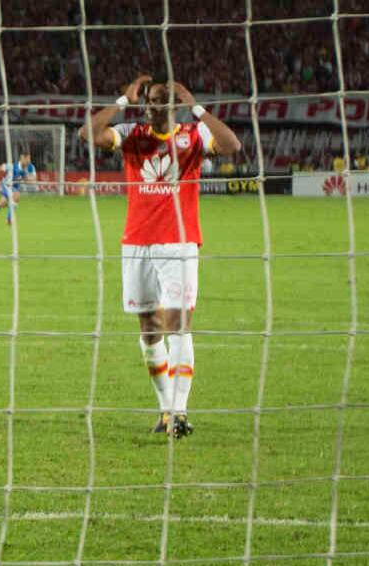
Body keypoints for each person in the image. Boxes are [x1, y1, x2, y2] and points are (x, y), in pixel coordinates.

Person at [84, 73, 241, 439]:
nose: (156, 106)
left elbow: (231, 144)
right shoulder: (132, 136)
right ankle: (165, 410)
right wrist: (123, 100)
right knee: (149, 331)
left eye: (164, 100)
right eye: (151, 100)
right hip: (136, 243)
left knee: (178, 324)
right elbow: (88, 134)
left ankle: (180, 411)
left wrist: (197, 107)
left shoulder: (192, 137)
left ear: (176, 104)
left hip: (179, 244)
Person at [0, 149, 38, 225]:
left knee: (3, 203)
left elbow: (33, 179)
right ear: (22, 158)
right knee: (16, 196)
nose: (28, 161)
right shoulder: (12, 166)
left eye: (29, 159)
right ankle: (9, 220)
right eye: (27, 159)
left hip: (14, 188)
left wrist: (26, 178)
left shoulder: (31, 167)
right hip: (5, 185)